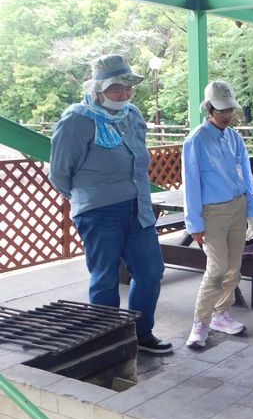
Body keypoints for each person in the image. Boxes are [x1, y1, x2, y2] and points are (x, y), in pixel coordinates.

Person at [49, 54, 172, 354]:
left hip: (138, 206)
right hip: (99, 212)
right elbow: (60, 173)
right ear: (98, 89)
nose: (125, 94)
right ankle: (108, 342)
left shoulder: (132, 115)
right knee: (105, 278)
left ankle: (140, 334)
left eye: (129, 88)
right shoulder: (77, 120)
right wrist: (89, 198)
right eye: (117, 88)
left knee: (150, 272)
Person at [183, 81, 253, 347]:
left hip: (238, 207)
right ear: (209, 108)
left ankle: (222, 314)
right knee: (216, 270)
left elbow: (246, 177)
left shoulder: (234, 138)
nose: (228, 115)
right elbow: (191, 183)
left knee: (233, 269)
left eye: (230, 110)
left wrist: (251, 210)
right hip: (212, 213)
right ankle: (201, 322)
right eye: (222, 110)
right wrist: (194, 223)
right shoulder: (196, 140)